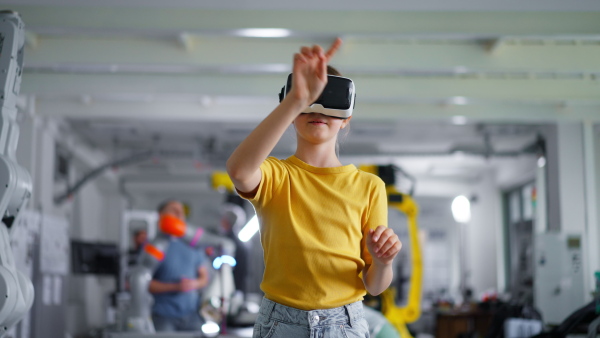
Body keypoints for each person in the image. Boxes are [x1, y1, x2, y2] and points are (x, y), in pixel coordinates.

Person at [226, 38, 402, 338]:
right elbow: (240, 171)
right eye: (310, 100)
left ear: (346, 118)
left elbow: (374, 284)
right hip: (279, 323)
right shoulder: (276, 175)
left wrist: (384, 262)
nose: (318, 107)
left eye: (329, 99)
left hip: (345, 323)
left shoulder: (369, 186)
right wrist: (295, 99)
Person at [149, 199, 210, 332]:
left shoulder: (193, 245)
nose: (179, 214)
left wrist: (193, 284)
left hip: (192, 314)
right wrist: (175, 287)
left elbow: (204, 278)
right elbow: (145, 282)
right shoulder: (154, 246)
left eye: (181, 211)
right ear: (161, 215)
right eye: (173, 210)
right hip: (164, 315)